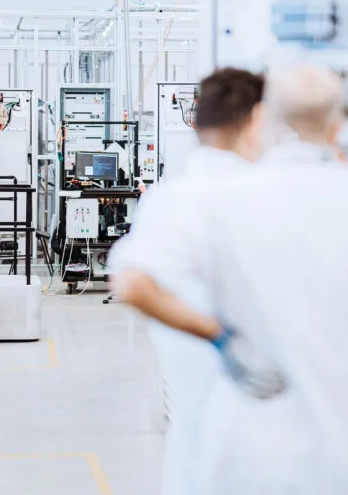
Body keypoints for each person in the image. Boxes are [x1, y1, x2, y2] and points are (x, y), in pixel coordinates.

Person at [114, 63, 348, 495]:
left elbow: (131, 281)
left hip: (244, 452)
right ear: (340, 124)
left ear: (264, 120)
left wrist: (222, 338)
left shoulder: (216, 199)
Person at [108, 68, 266, 495]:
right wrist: (220, 336)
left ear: (196, 124)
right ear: (258, 120)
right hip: (256, 441)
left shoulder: (167, 196)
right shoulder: (259, 194)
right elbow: (132, 282)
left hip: (195, 440)